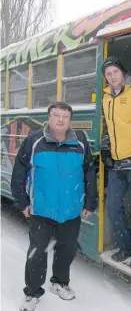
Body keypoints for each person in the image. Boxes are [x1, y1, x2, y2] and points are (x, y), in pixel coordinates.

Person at [11, 102, 98, 311]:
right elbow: (19, 171)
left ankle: (59, 283)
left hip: (71, 209)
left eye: (65, 116)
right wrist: (22, 201)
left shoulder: (80, 142)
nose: (60, 120)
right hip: (41, 209)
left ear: (70, 120)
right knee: (37, 252)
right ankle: (32, 293)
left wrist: (89, 201)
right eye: (56, 115)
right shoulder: (34, 140)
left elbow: (89, 172)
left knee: (66, 249)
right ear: (49, 118)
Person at [100, 56, 131, 269]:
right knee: (113, 207)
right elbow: (106, 126)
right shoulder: (105, 98)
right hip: (116, 163)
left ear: (123, 74)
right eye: (108, 74)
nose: (112, 77)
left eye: (115, 72)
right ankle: (125, 246)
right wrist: (105, 149)